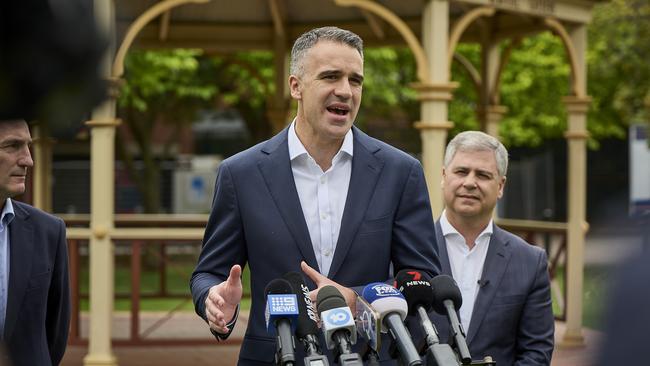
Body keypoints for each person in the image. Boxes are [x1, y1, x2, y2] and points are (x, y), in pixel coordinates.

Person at [190, 26, 440, 364]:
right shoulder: (241, 173)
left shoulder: (400, 172)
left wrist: (358, 300)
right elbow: (208, 273)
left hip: (369, 356)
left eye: (355, 80)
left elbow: (422, 280)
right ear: (296, 86)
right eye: (331, 77)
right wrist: (214, 300)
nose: (346, 91)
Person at [429, 131, 554, 365]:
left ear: (500, 185)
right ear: (444, 176)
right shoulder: (407, 248)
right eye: (461, 171)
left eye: (483, 175)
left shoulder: (530, 262)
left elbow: (536, 353)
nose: (470, 182)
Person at [0, 120, 70, 366]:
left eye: (28, 146)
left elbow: (56, 333)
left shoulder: (49, 231)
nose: (28, 160)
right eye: (12, 146)